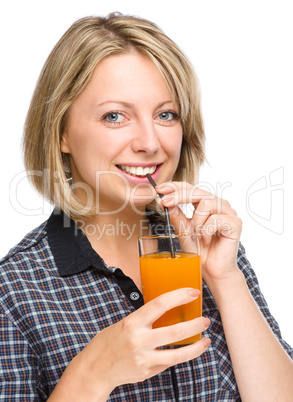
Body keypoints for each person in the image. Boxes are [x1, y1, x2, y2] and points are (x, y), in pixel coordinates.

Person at [0, 12, 292, 401]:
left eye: (165, 114)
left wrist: (225, 281)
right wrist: (89, 377)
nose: (150, 142)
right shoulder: (13, 292)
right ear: (61, 132)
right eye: (115, 116)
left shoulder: (209, 250)